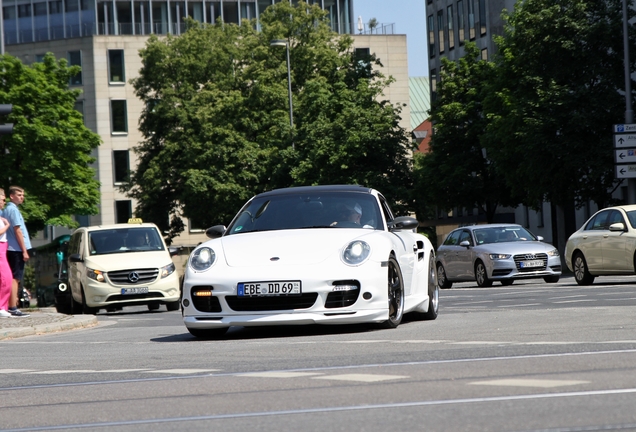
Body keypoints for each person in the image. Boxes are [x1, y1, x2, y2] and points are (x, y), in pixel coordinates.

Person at [4, 186, 31, 317]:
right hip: (16, 248)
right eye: (19, 194)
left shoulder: (6, 210)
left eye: (22, 195)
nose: (22, 197)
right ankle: (13, 307)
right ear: (12, 196)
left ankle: (10, 304)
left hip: (11, 247)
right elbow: (17, 230)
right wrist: (24, 250)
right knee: (16, 278)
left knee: (12, 277)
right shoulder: (12, 210)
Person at [0, 189, 12, 318]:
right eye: (3, 199)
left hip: (3, 246)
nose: (4, 202)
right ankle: (1, 306)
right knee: (6, 278)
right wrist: (7, 226)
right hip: (0, 247)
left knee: (5, 278)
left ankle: (3, 306)